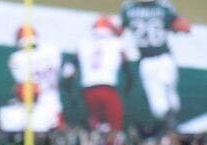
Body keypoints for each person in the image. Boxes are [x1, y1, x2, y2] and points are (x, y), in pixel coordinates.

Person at [121, 0, 191, 130]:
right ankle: (172, 124)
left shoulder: (128, 8)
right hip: (166, 59)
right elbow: (183, 27)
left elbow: (120, 30)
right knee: (171, 98)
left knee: (159, 105)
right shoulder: (164, 7)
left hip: (147, 62)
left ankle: (171, 127)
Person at [0, 25, 65, 132]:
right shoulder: (52, 51)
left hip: (35, 106)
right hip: (53, 103)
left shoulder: (17, 58)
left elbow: (24, 86)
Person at [76, 16, 139, 130]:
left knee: (96, 126)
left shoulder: (83, 43)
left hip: (87, 90)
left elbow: (72, 66)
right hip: (107, 88)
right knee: (115, 126)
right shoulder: (117, 42)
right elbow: (130, 60)